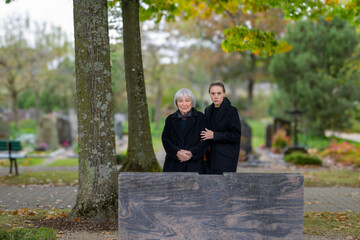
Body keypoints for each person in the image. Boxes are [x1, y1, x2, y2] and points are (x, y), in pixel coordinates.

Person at [162, 88, 209, 173]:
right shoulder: (170, 119)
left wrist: (191, 153)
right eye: (180, 101)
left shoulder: (201, 118)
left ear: (192, 102)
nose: (184, 104)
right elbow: (165, 139)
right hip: (173, 165)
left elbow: (205, 140)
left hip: (194, 165)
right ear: (176, 103)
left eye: (187, 100)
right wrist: (176, 152)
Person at [201, 80, 241, 174]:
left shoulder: (232, 111)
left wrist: (214, 135)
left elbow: (235, 135)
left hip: (225, 158)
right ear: (209, 94)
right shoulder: (207, 110)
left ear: (224, 93)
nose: (216, 96)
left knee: (223, 186)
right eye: (213, 93)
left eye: (219, 93)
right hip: (209, 156)